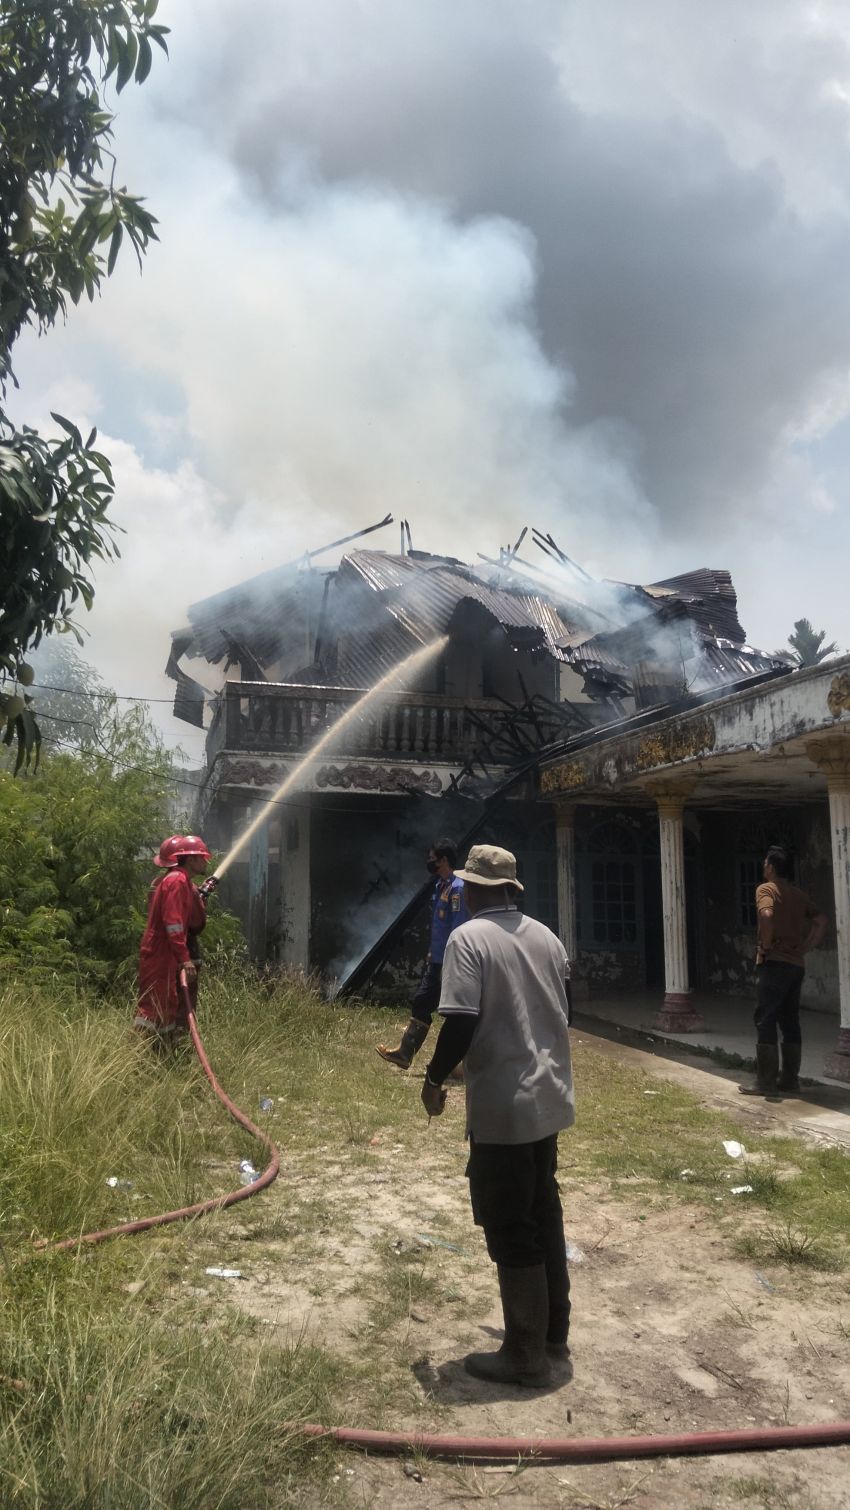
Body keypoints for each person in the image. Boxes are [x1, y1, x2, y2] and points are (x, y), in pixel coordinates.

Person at [421, 843, 574, 1389]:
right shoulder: (548, 938)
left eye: (465, 887)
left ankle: (525, 1356)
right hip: (549, 1098)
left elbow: (459, 1022)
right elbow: (565, 1010)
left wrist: (434, 1078)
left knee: (510, 1222)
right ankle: (554, 1334)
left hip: (505, 1105)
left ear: (477, 889)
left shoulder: (469, 939)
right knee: (542, 1211)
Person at [740, 845, 827, 1098]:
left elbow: (766, 914)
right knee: (790, 1021)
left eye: (765, 863)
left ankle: (765, 1082)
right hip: (795, 965)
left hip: (774, 963)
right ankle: (790, 1080)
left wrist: (766, 946)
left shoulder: (766, 889)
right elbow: (821, 921)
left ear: (771, 867)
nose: (763, 866)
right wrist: (805, 946)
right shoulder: (799, 895)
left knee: (765, 1018)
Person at [376, 837, 468, 1070]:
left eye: (432, 860)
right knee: (424, 1003)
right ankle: (406, 1053)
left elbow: (458, 928)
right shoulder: (441, 885)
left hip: (449, 961)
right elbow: (439, 926)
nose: (429, 863)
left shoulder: (458, 889)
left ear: (444, 860)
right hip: (436, 959)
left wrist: (450, 959)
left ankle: (452, 1063)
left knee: (451, 1011)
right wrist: (431, 951)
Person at [135, 834, 212, 1048]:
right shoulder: (177, 881)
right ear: (189, 859)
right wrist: (185, 959)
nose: (205, 860)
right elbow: (174, 925)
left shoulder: (178, 881)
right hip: (162, 951)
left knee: (168, 1005)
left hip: (165, 951)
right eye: (201, 856)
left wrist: (199, 897)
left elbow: (189, 919)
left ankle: (164, 1055)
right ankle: (134, 1057)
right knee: (153, 1006)